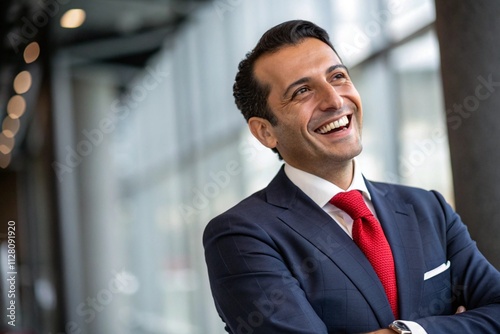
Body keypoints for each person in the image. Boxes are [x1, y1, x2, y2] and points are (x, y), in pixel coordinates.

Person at [202, 20, 500, 333]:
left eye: (338, 77)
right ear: (265, 132)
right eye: (302, 91)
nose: (334, 100)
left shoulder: (428, 208)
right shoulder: (240, 235)